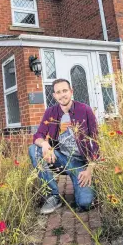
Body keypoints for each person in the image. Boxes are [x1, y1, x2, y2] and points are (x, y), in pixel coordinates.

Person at [28, 78, 99, 215]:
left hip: (79, 163)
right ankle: (53, 196)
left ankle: (83, 186)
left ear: (71, 92)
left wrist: (90, 168)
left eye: (65, 91)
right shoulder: (50, 112)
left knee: (85, 203)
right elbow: (37, 136)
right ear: (54, 95)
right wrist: (45, 144)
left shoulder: (85, 110)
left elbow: (96, 141)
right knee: (33, 149)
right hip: (59, 159)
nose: (62, 95)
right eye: (58, 92)